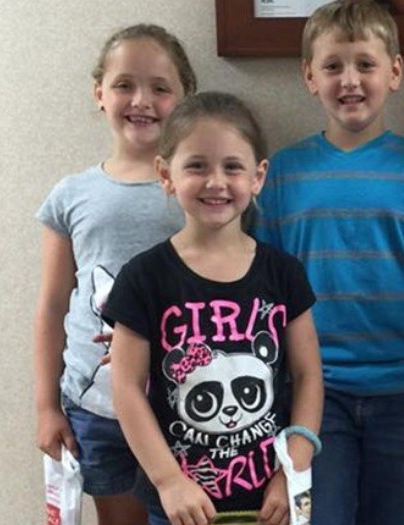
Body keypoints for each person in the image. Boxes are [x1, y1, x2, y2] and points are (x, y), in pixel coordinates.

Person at [253, 1, 404, 524]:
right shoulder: (282, 174)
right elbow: (264, 294)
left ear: (394, 72)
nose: (349, 80)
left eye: (365, 65)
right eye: (332, 66)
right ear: (309, 76)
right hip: (313, 396)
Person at [104, 92, 324, 525]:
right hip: (182, 508)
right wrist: (168, 480)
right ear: (166, 175)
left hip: (270, 501)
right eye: (197, 166)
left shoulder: (284, 274)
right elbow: (126, 387)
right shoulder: (143, 278)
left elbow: (308, 374)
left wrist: (293, 469)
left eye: (233, 166)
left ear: (258, 176)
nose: (216, 181)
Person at [33, 23, 196, 525]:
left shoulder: (201, 190)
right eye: (125, 84)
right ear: (99, 93)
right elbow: (53, 305)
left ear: (185, 97)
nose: (141, 100)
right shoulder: (71, 195)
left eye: (160, 87)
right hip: (97, 406)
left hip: (186, 407)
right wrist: (45, 405)